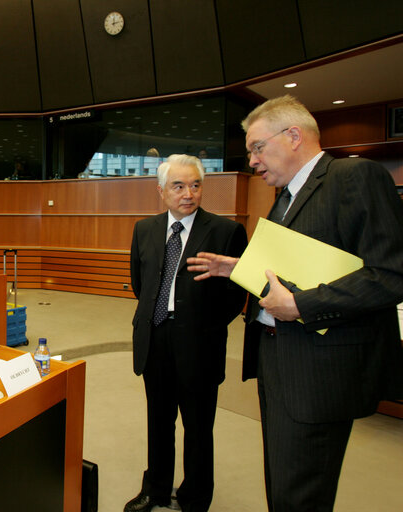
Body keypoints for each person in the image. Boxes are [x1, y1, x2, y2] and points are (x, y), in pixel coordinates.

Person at [187, 95, 403, 511]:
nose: (251, 161)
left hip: (317, 373)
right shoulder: (285, 197)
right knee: (283, 487)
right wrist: (240, 266)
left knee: (300, 496)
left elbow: (391, 274)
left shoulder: (354, 177)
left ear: (292, 136)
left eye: (256, 148)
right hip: (277, 362)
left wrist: (303, 306)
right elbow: (292, 270)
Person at [126, 154, 247, 512]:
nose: (188, 193)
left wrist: (200, 325)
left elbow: (234, 297)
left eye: (195, 185)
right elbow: (140, 284)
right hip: (155, 338)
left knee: (198, 429)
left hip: (199, 344)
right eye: (178, 186)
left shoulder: (226, 232)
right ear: (161, 190)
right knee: (158, 421)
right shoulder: (144, 229)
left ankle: (195, 498)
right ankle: (156, 490)